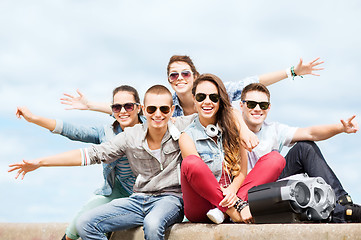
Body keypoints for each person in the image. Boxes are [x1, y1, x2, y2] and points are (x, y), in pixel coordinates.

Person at [9, 85, 197, 240]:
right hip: (131, 196)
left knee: (153, 223)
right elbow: (86, 148)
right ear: (145, 110)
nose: (158, 114)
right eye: (152, 109)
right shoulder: (123, 136)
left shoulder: (175, 125)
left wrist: (90, 105)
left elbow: (212, 114)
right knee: (83, 224)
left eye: (164, 109)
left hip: (166, 197)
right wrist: (40, 161)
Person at [60, 55, 323, 150]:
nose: (179, 78)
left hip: (228, 152)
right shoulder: (168, 104)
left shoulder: (212, 91)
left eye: (185, 73)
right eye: (173, 74)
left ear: (194, 76)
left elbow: (251, 81)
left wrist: (292, 71)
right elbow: (135, 111)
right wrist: (90, 105)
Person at [15, 85, 144, 240]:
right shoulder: (106, 132)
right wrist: (34, 119)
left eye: (128, 106)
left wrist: (92, 106)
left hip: (145, 193)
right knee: (74, 229)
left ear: (138, 108)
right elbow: (72, 130)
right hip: (117, 190)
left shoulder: (152, 127)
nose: (123, 111)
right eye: (117, 107)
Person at [239, 83, 361, 223]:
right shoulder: (231, 128)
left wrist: (340, 128)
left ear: (269, 107)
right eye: (251, 104)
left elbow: (310, 133)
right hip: (247, 192)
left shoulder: (274, 130)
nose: (257, 109)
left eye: (263, 105)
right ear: (241, 106)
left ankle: (343, 202)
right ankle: (343, 214)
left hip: (271, 185)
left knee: (304, 147)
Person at [179, 74, 286, 224]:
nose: (207, 102)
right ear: (193, 99)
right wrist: (232, 205)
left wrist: (232, 191)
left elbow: (242, 172)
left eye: (213, 97)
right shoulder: (186, 136)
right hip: (202, 205)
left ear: (220, 100)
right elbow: (197, 178)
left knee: (276, 159)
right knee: (190, 163)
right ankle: (232, 212)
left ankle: (225, 212)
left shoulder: (233, 127)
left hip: (233, 196)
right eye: (201, 97)